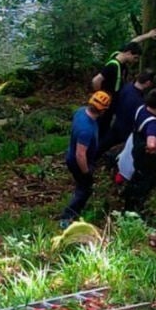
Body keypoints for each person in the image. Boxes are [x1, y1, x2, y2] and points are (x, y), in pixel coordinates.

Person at [92, 29, 156, 146]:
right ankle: (94, 148)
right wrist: (100, 95)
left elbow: (134, 41)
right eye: (135, 58)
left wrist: (148, 35)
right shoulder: (113, 66)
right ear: (128, 53)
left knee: (107, 126)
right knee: (102, 125)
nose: (135, 61)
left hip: (113, 101)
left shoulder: (120, 54)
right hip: (107, 103)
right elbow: (96, 80)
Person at [60, 91, 112, 228]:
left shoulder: (81, 111)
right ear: (102, 111)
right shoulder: (86, 130)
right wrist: (86, 172)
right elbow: (80, 154)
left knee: (82, 187)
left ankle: (74, 211)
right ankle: (67, 217)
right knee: (84, 189)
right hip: (78, 162)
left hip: (75, 157)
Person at [119, 88, 156, 212]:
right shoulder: (153, 124)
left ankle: (126, 198)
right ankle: (132, 211)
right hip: (146, 160)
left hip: (136, 149)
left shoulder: (141, 109)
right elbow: (151, 144)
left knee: (136, 177)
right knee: (143, 185)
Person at [101, 69, 156, 159]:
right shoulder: (139, 101)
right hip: (126, 129)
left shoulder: (127, 87)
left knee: (105, 143)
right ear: (147, 83)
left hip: (117, 122)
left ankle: (93, 155)